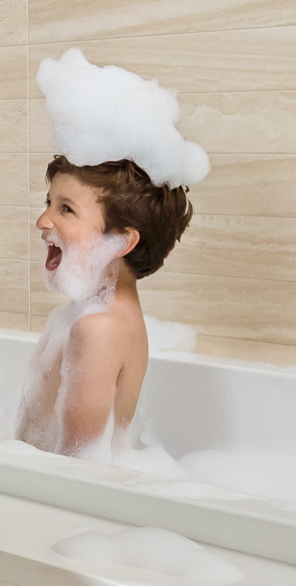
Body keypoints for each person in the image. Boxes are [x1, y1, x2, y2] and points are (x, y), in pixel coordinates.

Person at [14, 49, 202, 462]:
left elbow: (76, 467)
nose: (43, 221)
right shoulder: (102, 315)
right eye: (50, 202)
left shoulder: (96, 329)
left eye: (66, 209)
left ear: (122, 241)